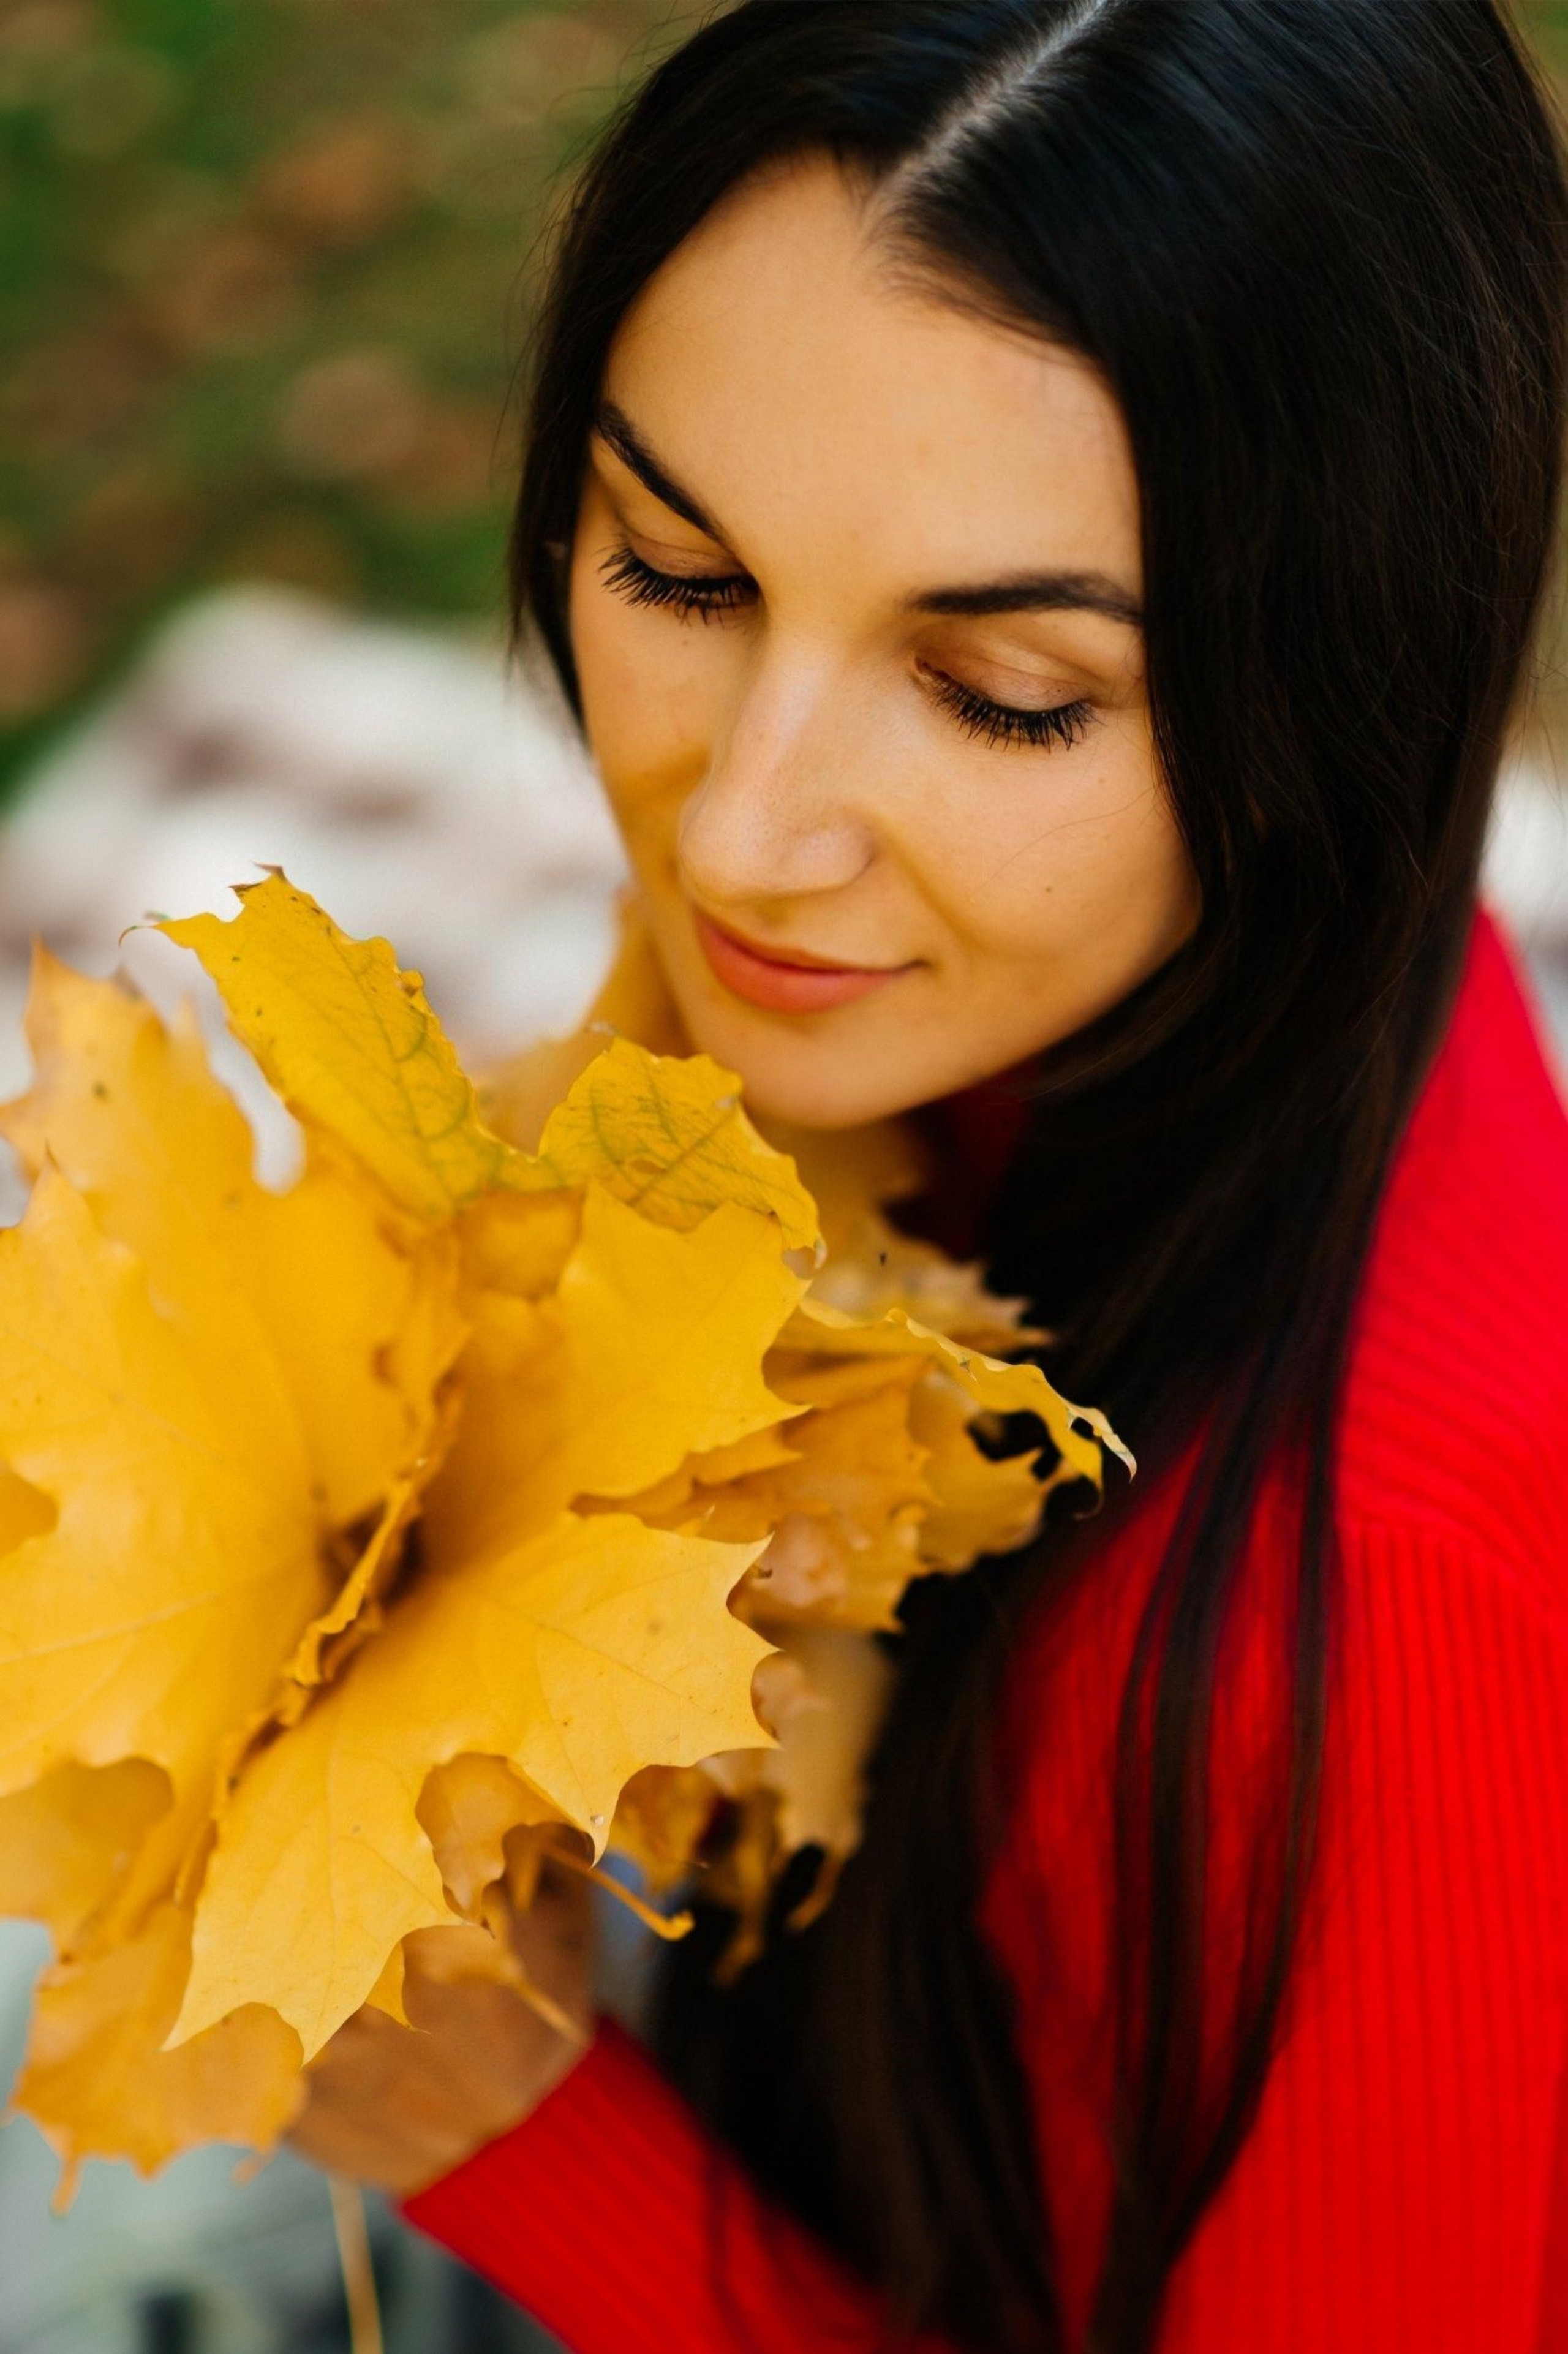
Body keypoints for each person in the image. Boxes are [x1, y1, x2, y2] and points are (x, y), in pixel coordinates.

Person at [288, 2, 1568, 2347]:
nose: (740, 834)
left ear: (1349, 692)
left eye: (1000, 694)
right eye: (679, 569)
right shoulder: (1041, 978)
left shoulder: (1364, 1637)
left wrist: (511, 2131)